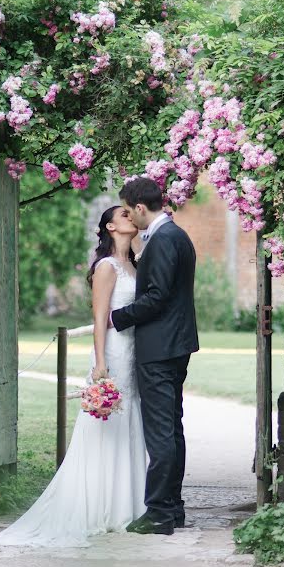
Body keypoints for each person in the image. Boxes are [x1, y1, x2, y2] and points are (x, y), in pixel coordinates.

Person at [0, 206, 147, 548]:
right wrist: (100, 363)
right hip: (112, 351)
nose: (132, 217)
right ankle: (100, 506)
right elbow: (100, 318)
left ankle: (127, 506)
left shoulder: (135, 264)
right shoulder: (106, 267)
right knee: (106, 425)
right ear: (110, 226)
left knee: (131, 420)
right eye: (124, 214)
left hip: (134, 354)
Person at [111, 177, 199, 536]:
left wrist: (118, 317)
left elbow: (158, 297)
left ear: (141, 208)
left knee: (161, 433)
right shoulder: (175, 235)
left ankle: (161, 513)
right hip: (174, 346)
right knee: (172, 430)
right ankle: (173, 508)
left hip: (161, 349)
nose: (131, 217)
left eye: (130, 211)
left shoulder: (163, 239)